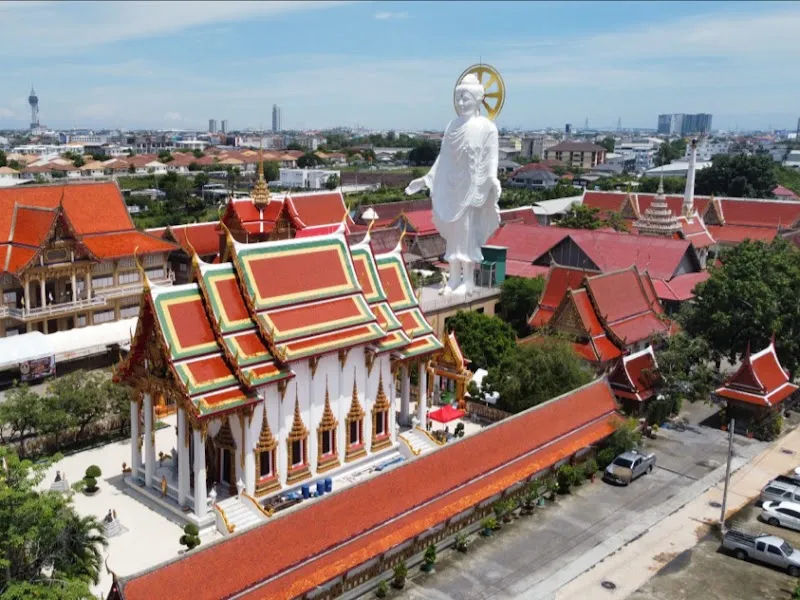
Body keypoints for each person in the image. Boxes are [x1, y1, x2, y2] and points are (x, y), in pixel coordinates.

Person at [405, 73, 501, 296]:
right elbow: (443, 158)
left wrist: (492, 179)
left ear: (478, 98)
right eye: (457, 98)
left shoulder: (487, 127)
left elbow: (492, 158)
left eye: (465, 98)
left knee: (467, 235)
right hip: (451, 188)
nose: (460, 103)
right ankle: (453, 279)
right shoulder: (452, 126)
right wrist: (426, 178)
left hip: (473, 187)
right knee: (454, 237)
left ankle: (467, 280)